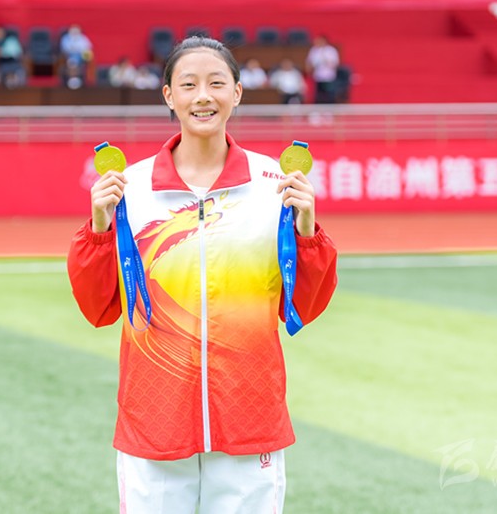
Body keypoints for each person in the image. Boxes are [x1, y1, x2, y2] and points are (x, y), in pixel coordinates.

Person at [67, 36, 337, 513]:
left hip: (248, 416)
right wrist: (99, 230)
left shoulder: (274, 185)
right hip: (155, 419)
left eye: (216, 83)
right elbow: (98, 308)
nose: (203, 96)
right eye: (188, 84)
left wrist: (307, 233)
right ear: (168, 95)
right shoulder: (130, 189)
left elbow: (304, 306)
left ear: (238, 92)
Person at [305, 35, 340, 104]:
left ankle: (330, 108)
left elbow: (335, 63)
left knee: (329, 94)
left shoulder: (331, 50)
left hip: (328, 76)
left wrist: (326, 60)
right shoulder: (314, 50)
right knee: (319, 95)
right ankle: (318, 108)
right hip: (318, 76)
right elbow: (309, 62)